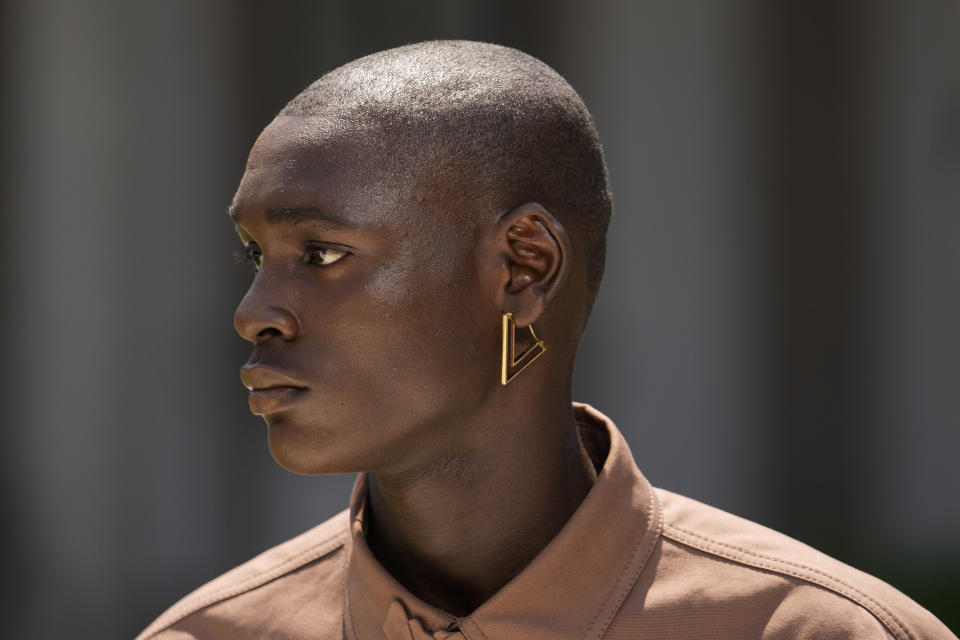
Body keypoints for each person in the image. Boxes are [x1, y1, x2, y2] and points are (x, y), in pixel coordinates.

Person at [136, 40, 955, 640]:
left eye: (321, 253)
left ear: (524, 268)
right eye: (256, 257)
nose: (253, 312)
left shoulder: (819, 631)